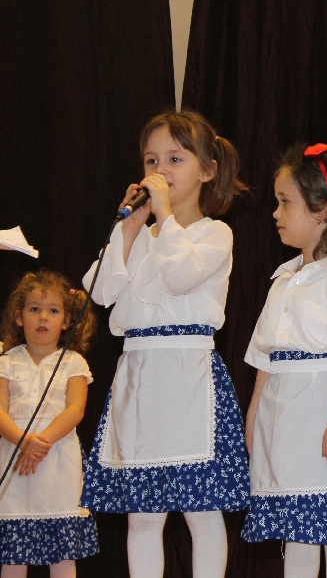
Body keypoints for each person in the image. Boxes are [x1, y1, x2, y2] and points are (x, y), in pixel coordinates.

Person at [81, 110, 250, 578]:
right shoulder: (140, 233)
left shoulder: (214, 233)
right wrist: (130, 229)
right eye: (151, 160)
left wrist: (165, 219)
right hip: (139, 378)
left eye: (175, 159)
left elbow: (179, 276)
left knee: (201, 510)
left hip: (186, 375)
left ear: (207, 170)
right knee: (142, 514)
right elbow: (100, 291)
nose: (160, 170)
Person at [242, 144, 327, 578]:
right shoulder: (281, 281)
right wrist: (254, 420)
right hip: (281, 422)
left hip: (320, 414)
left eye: (285, 202)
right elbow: (265, 359)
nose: (276, 213)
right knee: (296, 526)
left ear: (322, 210)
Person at [0, 271, 99, 577]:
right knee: (13, 557)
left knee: (63, 558)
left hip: (57, 462)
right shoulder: (6, 361)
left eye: (53, 310)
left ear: (67, 320)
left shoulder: (73, 362)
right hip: (14, 458)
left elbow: (75, 411)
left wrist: (39, 443)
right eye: (34, 309)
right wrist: (23, 441)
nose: (43, 317)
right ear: (19, 317)